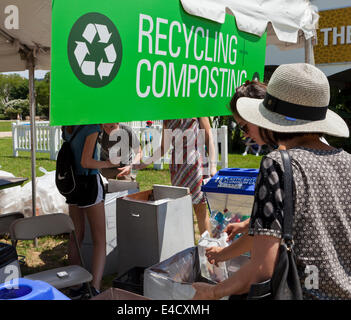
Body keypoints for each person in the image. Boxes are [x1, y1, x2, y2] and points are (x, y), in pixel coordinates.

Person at [192, 63, 351, 300]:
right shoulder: (347, 161)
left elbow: (262, 269)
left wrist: (213, 292)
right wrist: (249, 227)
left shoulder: (277, 164)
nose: (245, 132)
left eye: (245, 126)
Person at [132, 117, 218, 235]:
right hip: (177, 168)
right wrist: (144, 163)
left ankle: (208, 249)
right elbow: (164, 147)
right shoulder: (168, 117)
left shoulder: (198, 110)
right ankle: (186, 249)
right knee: (181, 209)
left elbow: (209, 139)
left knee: (200, 209)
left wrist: (213, 166)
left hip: (196, 166)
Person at [61, 125, 116, 299]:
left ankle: (75, 285)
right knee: (100, 241)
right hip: (89, 185)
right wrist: (108, 163)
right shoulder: (92, 127)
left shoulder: (68, 126)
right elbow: (86, 161)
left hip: (72, 185)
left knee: (76, 236)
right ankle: (95, 287)